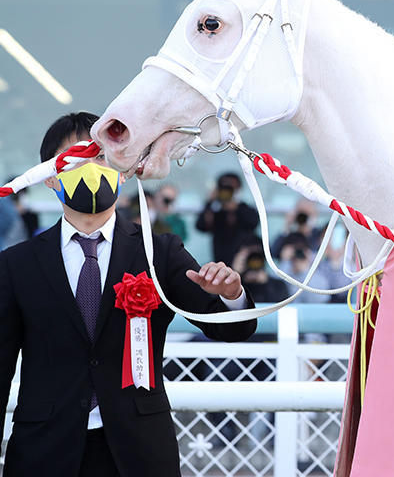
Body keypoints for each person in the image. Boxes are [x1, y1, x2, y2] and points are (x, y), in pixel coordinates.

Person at [0, 112, 258, 477]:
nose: (91, 167)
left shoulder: (159, 253)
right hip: (44, 451)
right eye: (76, 158)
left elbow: (231, 329)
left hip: (139, 452)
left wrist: (232, 294)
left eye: (102, 156)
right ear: (49, 175)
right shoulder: (17, 264)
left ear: (124, 168)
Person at [195, 172, 259, 266]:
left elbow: (253, 223)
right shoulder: (213, 209)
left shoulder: (244, 208)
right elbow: (200, 226)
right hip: (220, 258)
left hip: (242, 261)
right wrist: (210, 202)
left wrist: (235, 209)